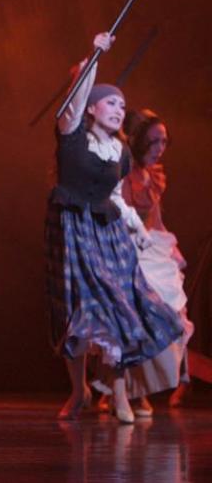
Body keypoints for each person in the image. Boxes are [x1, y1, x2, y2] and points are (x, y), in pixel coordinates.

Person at [46, 32, 182, 423]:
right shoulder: (71, 136)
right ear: (91, 108)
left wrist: (138, 227)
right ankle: (79, 391)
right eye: (111, 102)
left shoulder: (120, 151)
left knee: (117, 308)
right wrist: (94, 57)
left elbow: (118, 196)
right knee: (75, 312)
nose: (120, 109)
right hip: (72, 229)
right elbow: (72, 105)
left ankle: (121, 395)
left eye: (123, 104)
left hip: (107, 233)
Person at [117, 109, 192, 411]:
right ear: (137, 142)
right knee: (133, 319)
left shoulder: (154, 176)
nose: (160, 148)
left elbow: (155, 218)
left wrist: (169, 247)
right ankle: (124, 390)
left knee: (170, 312)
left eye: (164, 141)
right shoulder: (123, 176)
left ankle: (146, 387)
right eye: (153, 142)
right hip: (129, 247)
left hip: (152, 248)